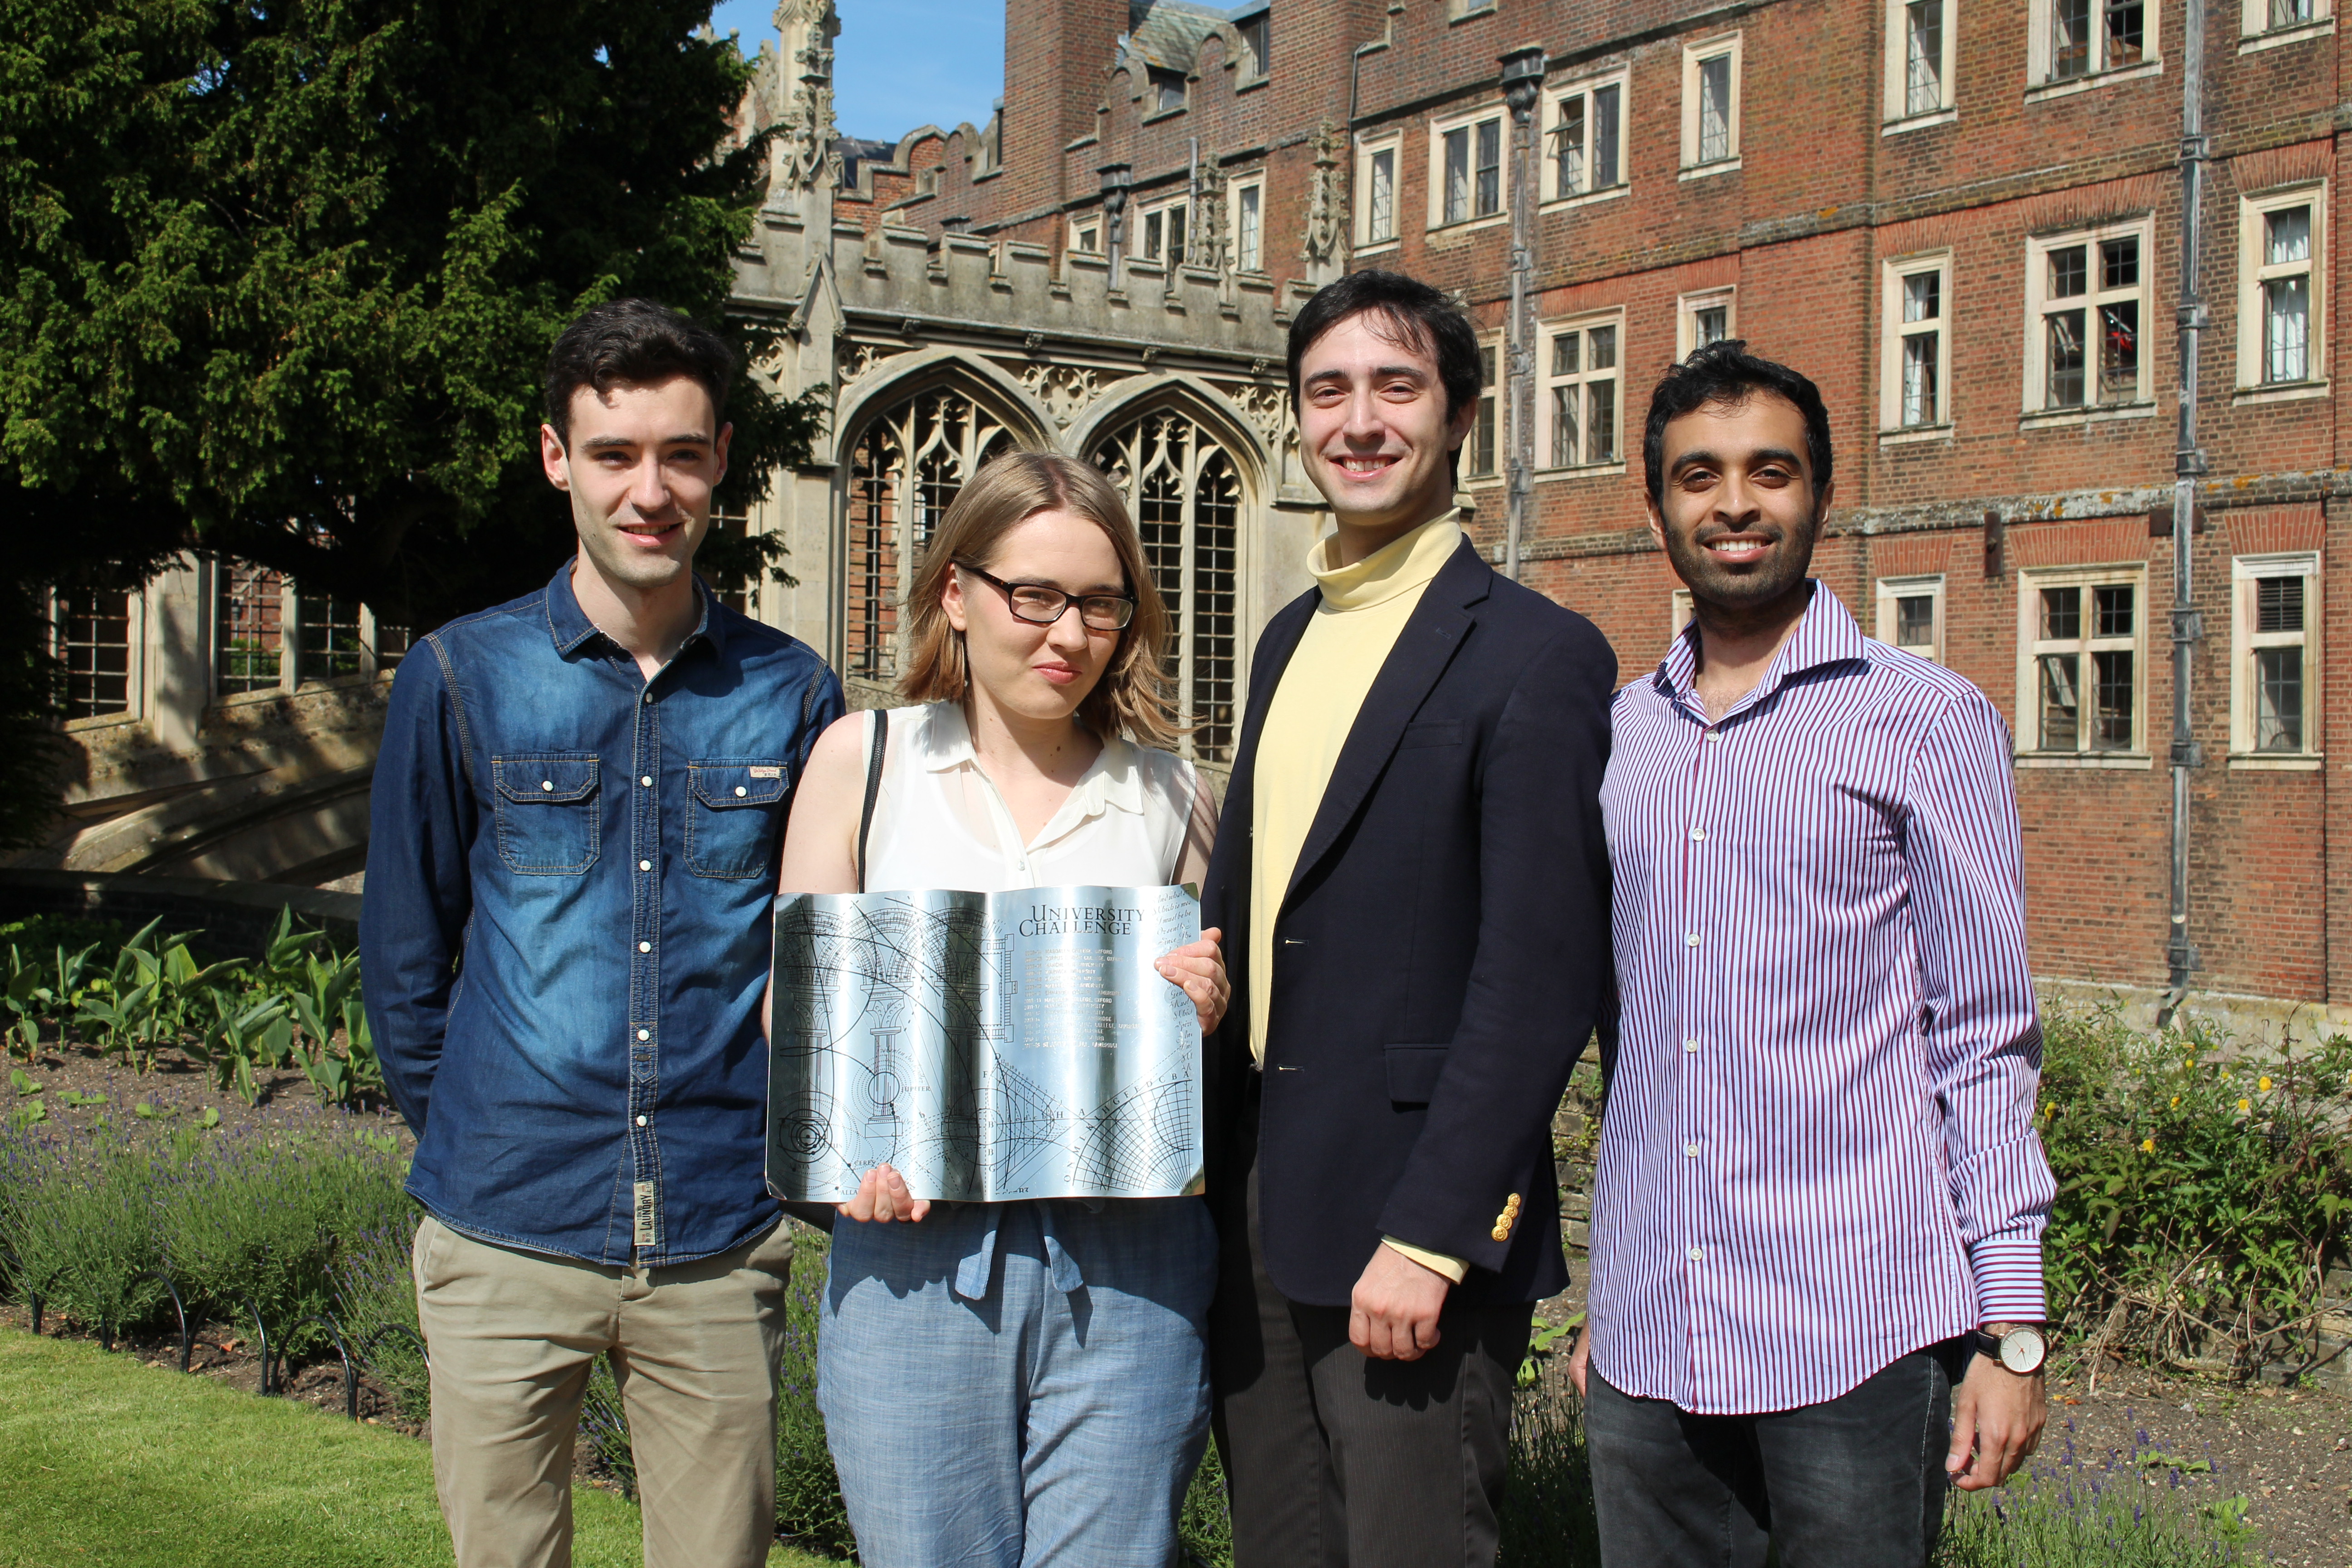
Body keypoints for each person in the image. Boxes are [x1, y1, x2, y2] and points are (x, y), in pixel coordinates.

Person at [360, 298, 843, 1568]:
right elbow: (408, 959)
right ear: (556, 458)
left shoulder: (793, 694)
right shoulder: (463, 674)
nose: (651, 491)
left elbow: (827, 954)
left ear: (723, 462)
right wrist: (487, 1125)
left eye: (681, 456)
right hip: (505, 1225)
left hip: (717, 1235)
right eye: (617, 455)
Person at [1570, 339, 2054, 1568]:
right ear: (1658, 507)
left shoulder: (1923, 719)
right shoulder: (1619, 737)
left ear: (1823, 494)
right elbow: (1633, 1033)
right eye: (1699, 476)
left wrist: (2012, 1330)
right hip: (1650, 1332)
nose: (1733, 502)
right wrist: (1612, 1297)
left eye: (1768, 471)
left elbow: (1983, 1029)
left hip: (1854, 1323)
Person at [1199, 269, 1617, 1567]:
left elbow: (1537, 978)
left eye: (1397, 387)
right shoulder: (1284, 638)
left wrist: (1438, 1234)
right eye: (1329, 391)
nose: (1360, 420)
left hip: (1407, 1224)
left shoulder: (1538, 653)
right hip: (1253, 1197)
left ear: (1460, 418)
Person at [772, 451, 1231, 1567]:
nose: (1066, 634)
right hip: (916, 1261)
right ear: (957, 596)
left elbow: (1223, 1053)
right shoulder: (862, 760)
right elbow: (809, 1022)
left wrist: (1209, 1007)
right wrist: (848, 1164)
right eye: (1034, 596)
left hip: (1128, 1272)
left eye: (1100, 604)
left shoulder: (1175, 794)